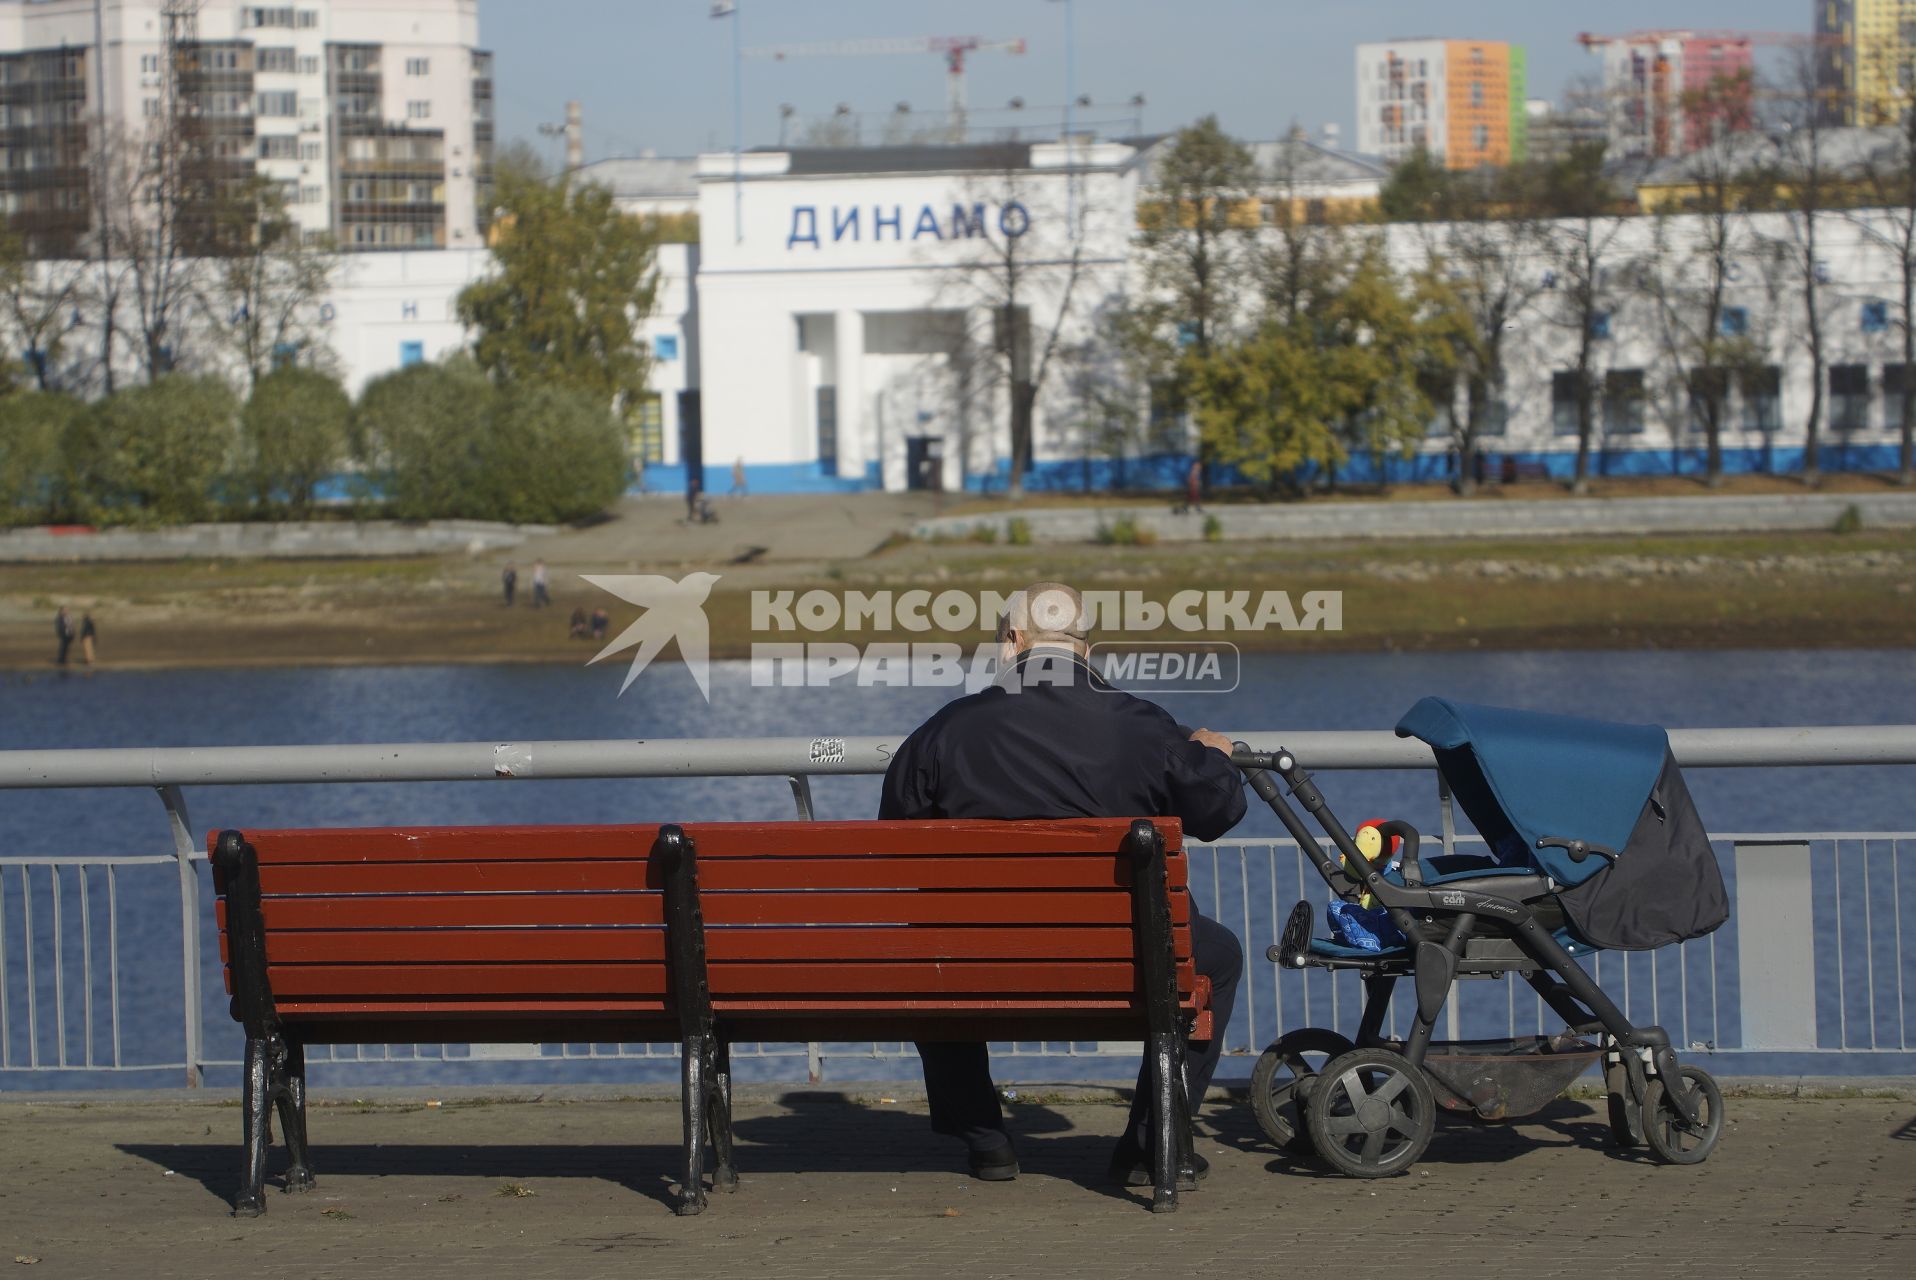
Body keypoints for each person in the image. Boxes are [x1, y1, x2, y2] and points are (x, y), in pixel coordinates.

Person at [879, 581, 1244, 1185]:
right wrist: (1214, 757)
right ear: (1086, 648)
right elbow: (1217, 814)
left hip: (981, 957)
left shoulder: (947, 730)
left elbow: (897, 843)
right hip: (1124, 954)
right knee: (1218, 956)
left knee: (930, 947)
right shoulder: (1144, 726)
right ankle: (1155, 1140)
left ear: (1015, 642)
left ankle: (986, 1139)